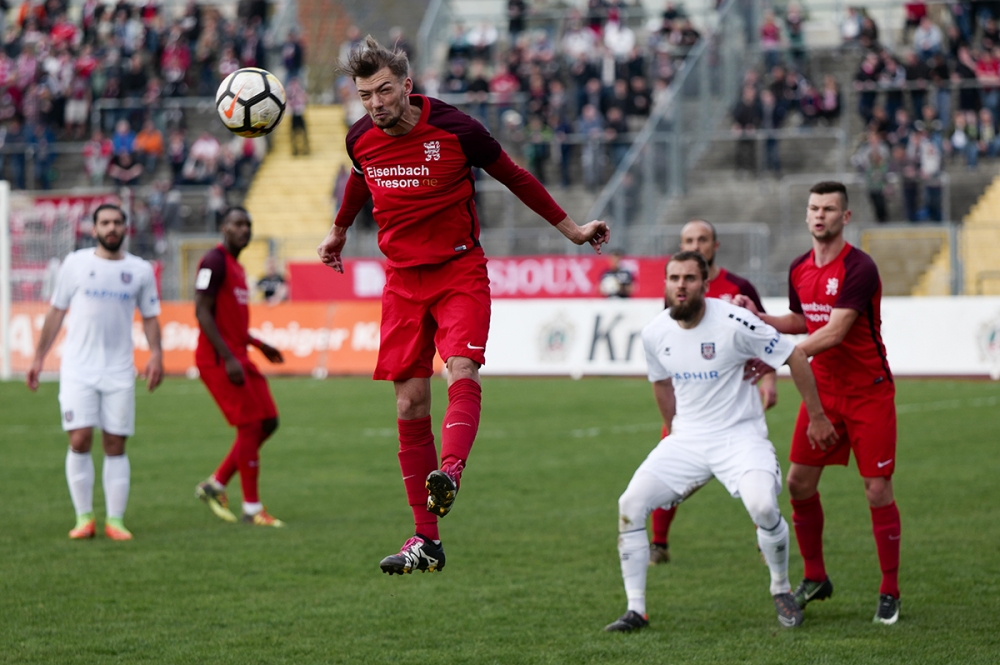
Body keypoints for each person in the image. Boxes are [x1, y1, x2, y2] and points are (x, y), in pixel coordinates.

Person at [317, 36, 610, 575]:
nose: (376, 103)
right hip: (401, 281)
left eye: (384, 91)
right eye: (365, 95)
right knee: (408, 404)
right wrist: (337, 232)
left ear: (407, 85)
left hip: (458, 271)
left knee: (462, 368)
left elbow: (515, 177)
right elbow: (359, 183)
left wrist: (572, 230)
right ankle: (425, 541)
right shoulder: (360, 139)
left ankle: (450, 472)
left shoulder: (457, 129)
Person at [604, 251, 837, 633]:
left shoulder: (735, 321)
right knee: (629, 504)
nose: (681, 286)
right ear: (665, 284)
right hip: (687, 440)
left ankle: (780, 589)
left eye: (689, 278)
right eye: (674, 278)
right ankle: (636, 610)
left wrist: (817, 416)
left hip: (740, 438)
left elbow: (794, 355)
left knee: (763, 506)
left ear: (705, 285)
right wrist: (673, 433)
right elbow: (661, 384)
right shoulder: (655, 332)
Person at [735, 181, 902, 625]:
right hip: (822, 389)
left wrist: (780, 355)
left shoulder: (860, 267)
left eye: (829, 209)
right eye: (814, 208)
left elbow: (834, 332)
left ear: (845, 217)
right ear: (807, 214)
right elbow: (801, 319)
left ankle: (890, 589)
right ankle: (815, 577)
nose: (820, 215)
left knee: (877, 489)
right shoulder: (799, 267)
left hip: (868, 391)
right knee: (799, 484)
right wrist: (760, 318)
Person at [26, 203, 163, 541]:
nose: (111, 228)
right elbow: (56, 312)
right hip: (78, 368)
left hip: (119, 369)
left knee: (115, 442)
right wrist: (38, 357)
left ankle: (115, 521)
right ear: (94, 228)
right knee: (80, 438)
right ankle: (84, 518)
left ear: (126, 228)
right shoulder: (75, 264)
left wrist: (157, 354)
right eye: (105, 223)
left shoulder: (140, 270)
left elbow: (150, 317)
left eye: (117, 222)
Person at [648, 219, 779, 565]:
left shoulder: (739, 287)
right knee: (667, 472)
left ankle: (765, 540)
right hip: (690, 403)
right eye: (689, 240)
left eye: (702, 239)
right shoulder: (677, 291)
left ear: (715, 246)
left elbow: (765, 337)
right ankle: (658, 544)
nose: (696, 245)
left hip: (734, 403)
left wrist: (769, 380)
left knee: (753, 474)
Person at [194, 207, 287, 528]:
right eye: (237, 224)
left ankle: (216, 484)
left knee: (269, 421)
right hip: (219, 359)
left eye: (248, 224)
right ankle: (252, 508)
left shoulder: (237, 267)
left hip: (238, 355)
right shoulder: (214, 261)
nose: (244, 229)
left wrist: (259, 344)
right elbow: (202, 312)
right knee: (250, 426)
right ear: (224, 227)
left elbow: (230, 322)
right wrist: (229, 358)